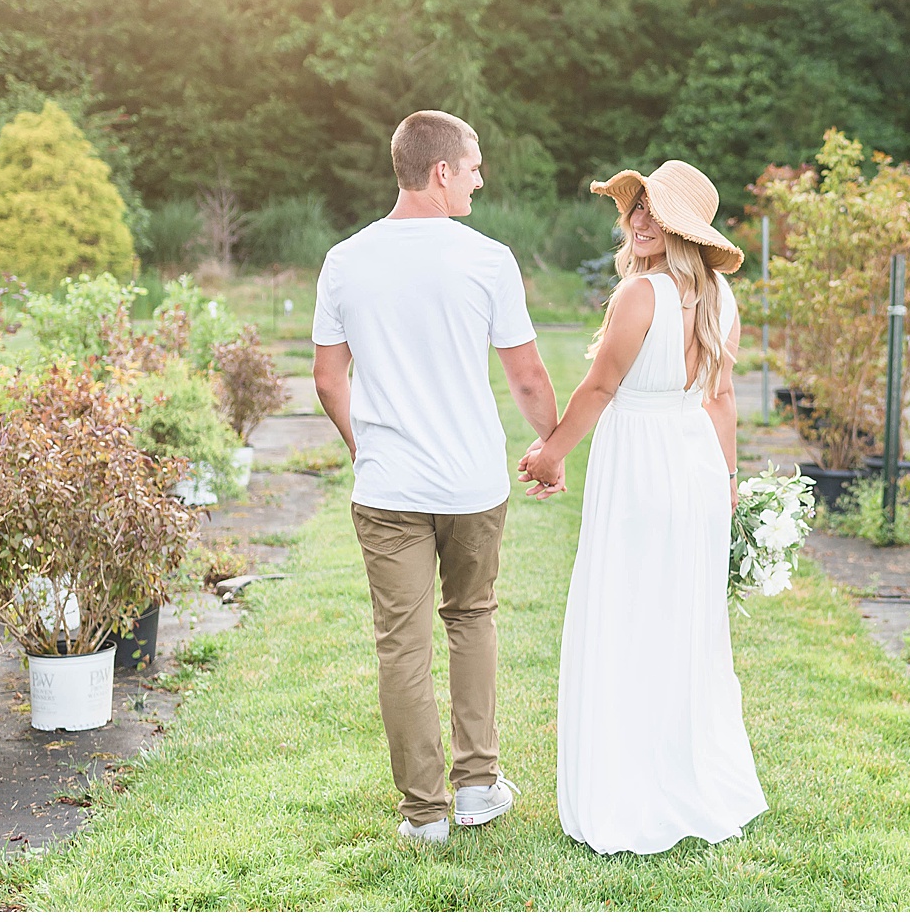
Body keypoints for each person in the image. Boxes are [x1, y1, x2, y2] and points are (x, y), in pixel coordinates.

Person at [312, 109, 566, 847]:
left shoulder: (344, 260)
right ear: (442, 172)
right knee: (473, 617)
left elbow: (330, 380)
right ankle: (480, 787)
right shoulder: (488, 259)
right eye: (475, 165)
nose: (482, 178)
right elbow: (525, 375)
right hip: (470, 484)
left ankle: (424, 815)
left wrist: (368, 448)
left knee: (402, 646)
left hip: (388, 488)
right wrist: (548, 445)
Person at [517, 159, 768, 855]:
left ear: (683, 227)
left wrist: (552, 453)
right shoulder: (721, 299)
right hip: (691, 466)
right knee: (681, 622)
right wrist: (725, 481)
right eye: (636, 209)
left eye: (655, 211)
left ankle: (633, 791)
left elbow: (598, 389)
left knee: (628, 616)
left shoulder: (640, 294)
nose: (639, 220)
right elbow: (718, 400)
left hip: (641, 467)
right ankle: (683, 776)